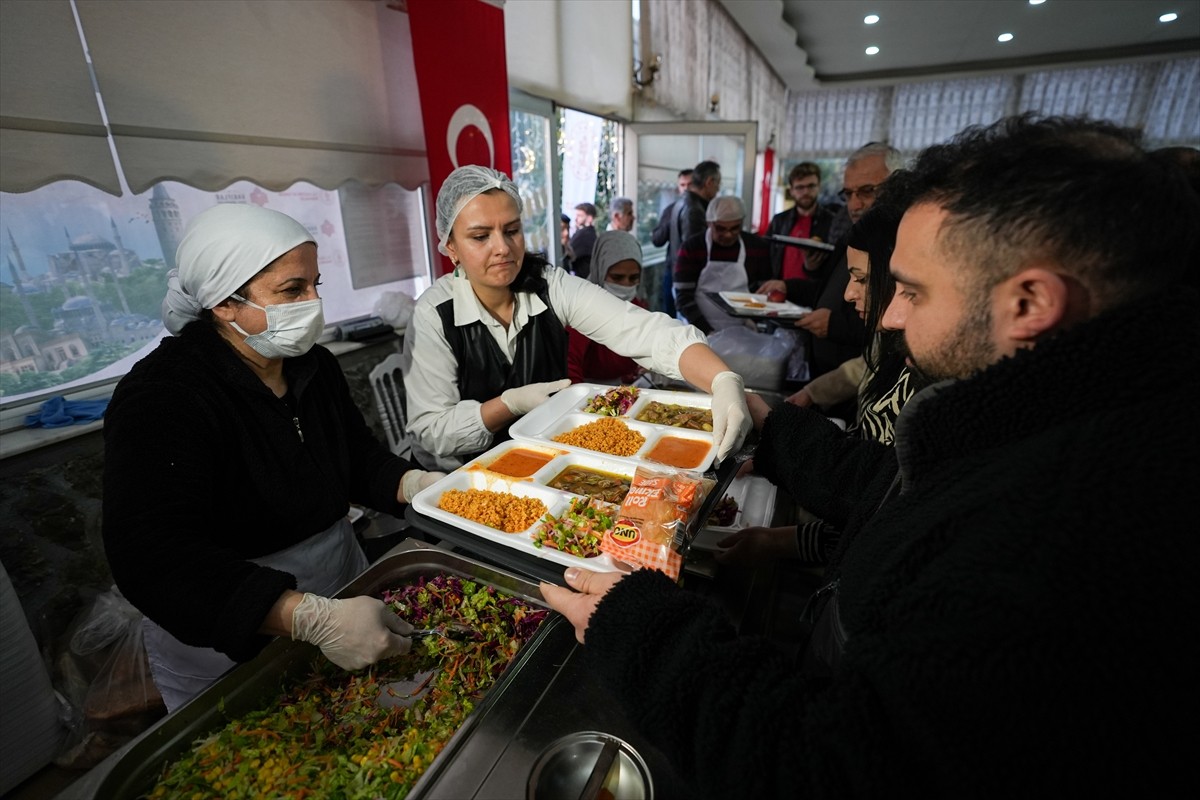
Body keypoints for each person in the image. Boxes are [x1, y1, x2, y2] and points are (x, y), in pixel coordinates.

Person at [541, 115, 1200, 797]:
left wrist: (647, 633)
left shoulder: (1066, 540)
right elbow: (903, 492)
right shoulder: (1059, 413)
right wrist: (771, 430)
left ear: (1029, 301)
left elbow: (834, 768)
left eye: (912, 291)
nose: (887, 317)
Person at [101, 204, 444, 711]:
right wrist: (307, 617)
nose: (313, 303)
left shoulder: (313, 366)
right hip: (235, 629)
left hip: (342, 583)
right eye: (291, 291)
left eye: (315, 285)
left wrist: (420, 487)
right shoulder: (163, 397)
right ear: (223, 304)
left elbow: (356, 459)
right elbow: (154, 556)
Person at [403, 165, 752, 470]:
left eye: (511, 231)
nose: (503, 248)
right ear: (450, 247)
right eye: (480, 236)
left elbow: (641, 330)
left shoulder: (549, 286)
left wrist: (721, 380)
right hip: (459, 476)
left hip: (545, 459)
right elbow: (433, 432)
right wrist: (507, 404)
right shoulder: (435, 316)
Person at [760, 143, 902, 379]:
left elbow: (896, 323)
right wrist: (789, 286)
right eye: (848, 194)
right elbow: (828, 289)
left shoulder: (902, 246)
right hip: (826, 372)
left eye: (867, 191)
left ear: (897, 186)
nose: (855, 205)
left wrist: (835, 325)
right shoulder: (850, 233)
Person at [673, 195, 772, 333]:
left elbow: (763, 289)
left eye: (735, 228)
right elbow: (683, 296)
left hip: (743, 330)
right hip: (698, 329)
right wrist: (706, 330)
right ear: (709, 223)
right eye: (720, 229)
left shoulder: (756, 246)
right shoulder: (692, 247)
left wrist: (754, 319)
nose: (728, 234)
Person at [567, 231, 647, 384]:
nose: (626, 285)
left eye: (633, 278)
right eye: (617, 277)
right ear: (600, 270)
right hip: (588, 390)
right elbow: (569, 364)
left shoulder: (636, 304)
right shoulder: (582, 307)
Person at [766, 162, 835, 281]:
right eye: (800, 187)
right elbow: (767, 257)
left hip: (814, 295)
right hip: (779, 291)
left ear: (819, 187)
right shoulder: (779, 220)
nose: (806, 192)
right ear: (791, 190)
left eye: (811, 186)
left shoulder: (832, 221)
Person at [651, 168, 693, 318]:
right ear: (678, 187)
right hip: (673, 269)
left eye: (690, 184)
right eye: (683, 185)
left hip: (695, 274)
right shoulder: (672, 209)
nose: (686, 188)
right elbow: (657, 240)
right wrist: (673, 219)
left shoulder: (702, 210)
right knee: (669, 315)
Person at [567, 202, 598, 279]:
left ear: (589, 218)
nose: (576, 219)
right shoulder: (591, 234)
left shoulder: (583, 234)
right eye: (576, 215)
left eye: (579, 216)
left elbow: (568, 253)